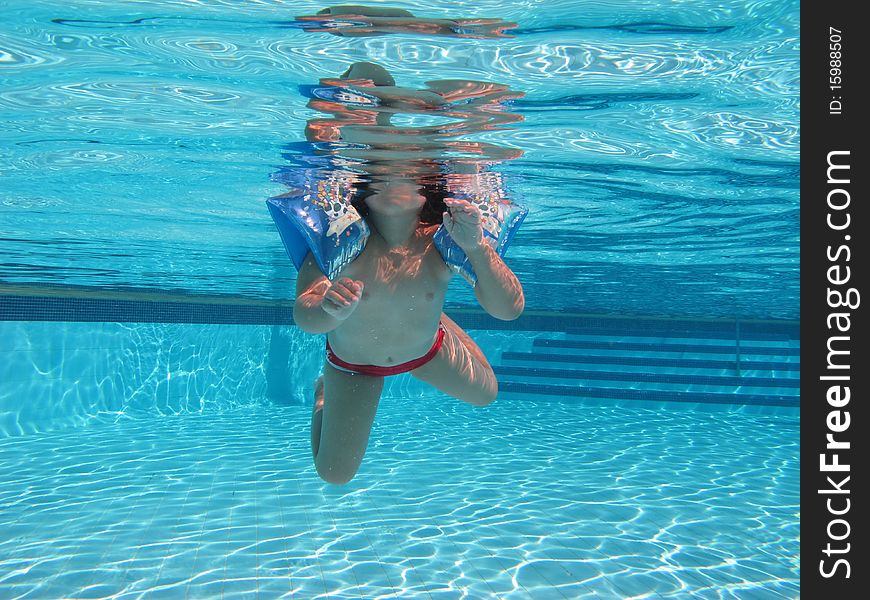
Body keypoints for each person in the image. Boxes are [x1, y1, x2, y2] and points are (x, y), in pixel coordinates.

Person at [294, 63, 525, 485]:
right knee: (334, 474)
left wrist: (477, 248)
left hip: (426, 350)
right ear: (363, 184)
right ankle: (322, 390)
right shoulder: (342, 243)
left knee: (487, 394)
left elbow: (508, 310)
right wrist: (329, 308)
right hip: (353, 367)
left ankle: (435, 321)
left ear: (428, 189)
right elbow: (306, 316)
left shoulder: (446, 240)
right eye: (386, 168)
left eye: (408, 169)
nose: (397, 173)